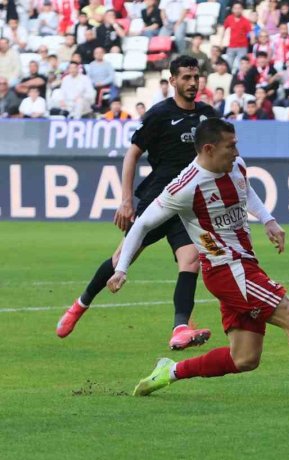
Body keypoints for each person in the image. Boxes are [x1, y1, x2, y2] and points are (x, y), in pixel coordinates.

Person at [106, 118, 289, 403]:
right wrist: (121, 269)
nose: (236, 150)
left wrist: (268, 220)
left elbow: (246, 190)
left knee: (244, 358)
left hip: (244, 266)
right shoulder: (185, 187)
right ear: (208, 149)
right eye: (230, 146)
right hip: (227, 270)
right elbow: (141, 225)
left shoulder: (236, 166)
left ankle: (171, 371)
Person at [56, 56, 218, 349]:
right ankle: (80, 304)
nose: (192, 83)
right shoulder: (159, 115)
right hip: (157, 199)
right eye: (186, 78)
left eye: (196, 77)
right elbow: (132, 154)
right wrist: (126, 200)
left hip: (188, 205)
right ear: (173, 81)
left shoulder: (208, 115)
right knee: (122, 259)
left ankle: (180, 328)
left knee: (191, 261)